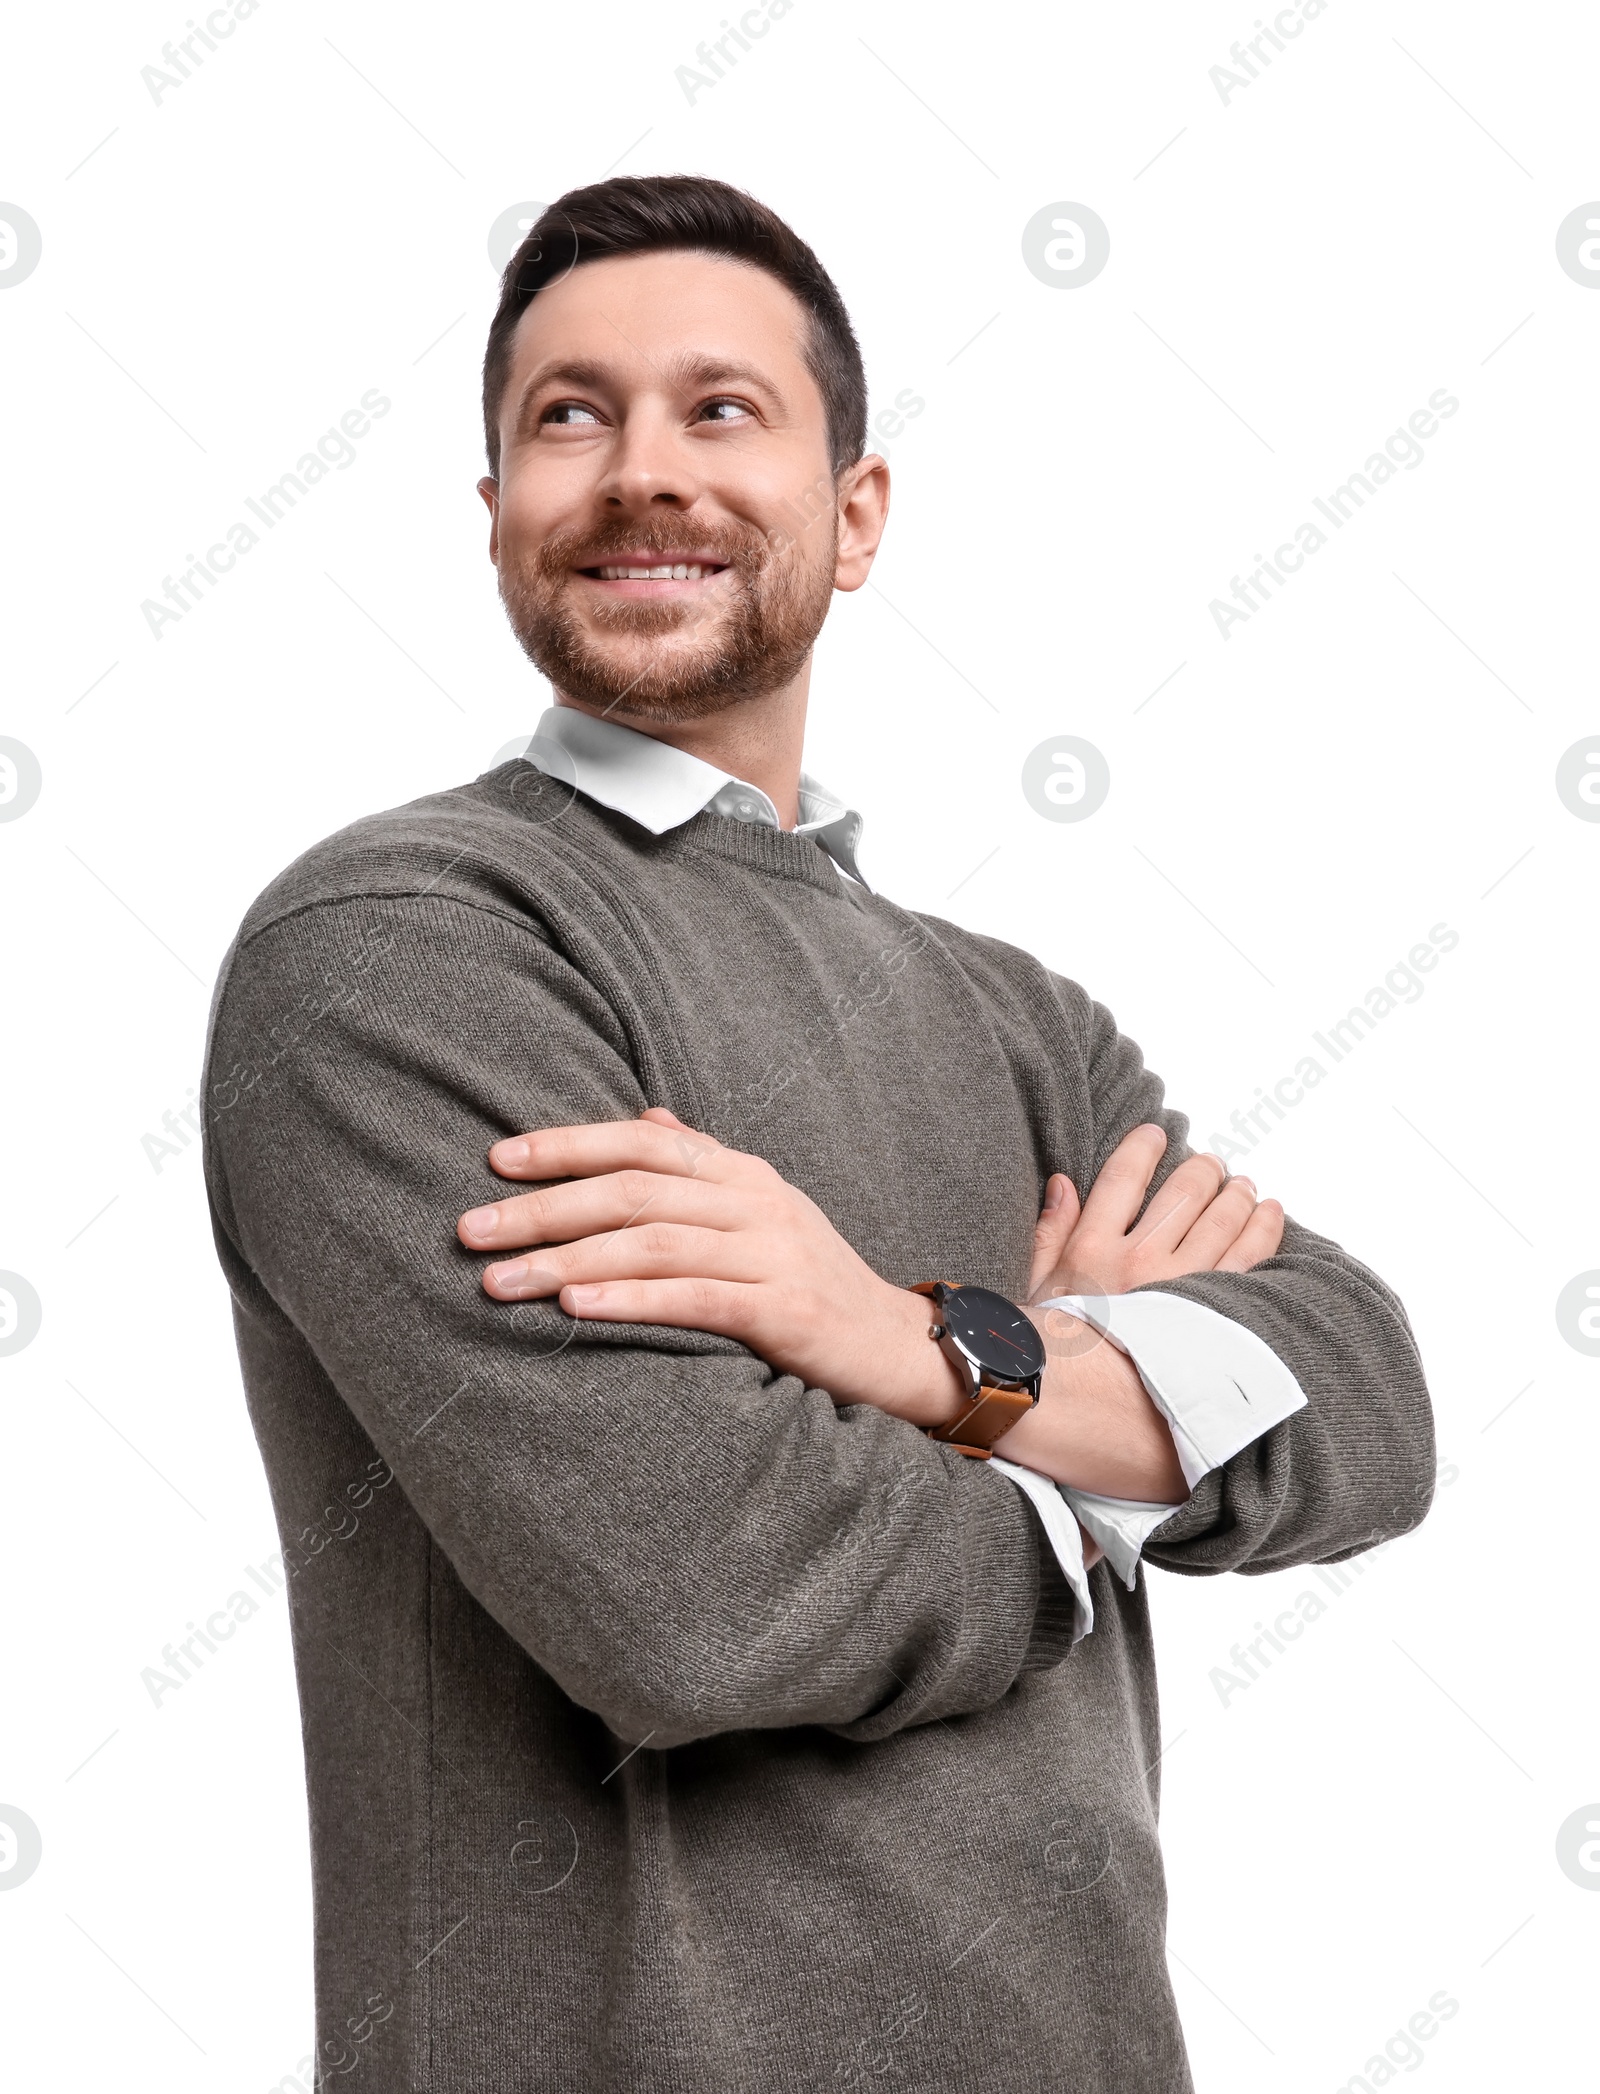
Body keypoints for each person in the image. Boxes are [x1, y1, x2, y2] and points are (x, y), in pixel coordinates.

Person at [201, 174, 1435, 2093]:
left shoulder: (1016, 1009)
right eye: (568, 415)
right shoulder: (410, 947)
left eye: (720, 409)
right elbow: (701, 1598)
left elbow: (1366, 1403)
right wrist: (1107, 1435)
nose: (640, 474)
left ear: (853, 516)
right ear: (498, 517)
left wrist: (903, 1340)